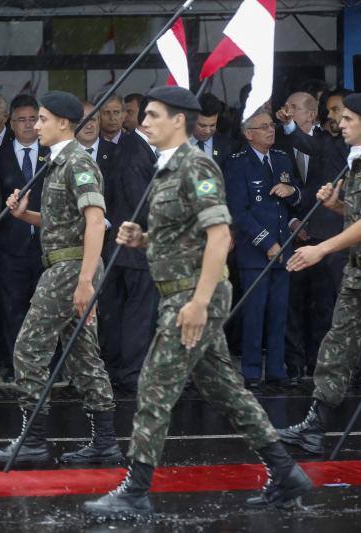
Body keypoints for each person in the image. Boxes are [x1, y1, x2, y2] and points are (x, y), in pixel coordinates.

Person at [83, 86, 311, 520]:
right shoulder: (166, 168)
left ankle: (136, 489)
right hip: (182, 291)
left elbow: (219, 235)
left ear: (178, 121)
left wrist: (200, 303)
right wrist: (142, 239)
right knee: (227, 391)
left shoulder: (197, 165)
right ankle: (285, 472)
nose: (143, 122)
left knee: (153, 386)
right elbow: (180, 237)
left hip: (192, 295)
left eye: (153, 115)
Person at [0, 91, 122, 466]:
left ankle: (33, 439)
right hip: (68, 266)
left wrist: (85, 281)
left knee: (28, 349)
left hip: (68, 270)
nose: (35, 126)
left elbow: (96, 221)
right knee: (83, 356)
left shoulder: (77, 162)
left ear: (64, 123)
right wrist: (23, 216)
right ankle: (105, 441)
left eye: (42, 119)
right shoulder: (58, 163)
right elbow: (62, 222)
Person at [280, 92, 361, 455]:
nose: (340, 123)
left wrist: (321, 249)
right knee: (336, 347)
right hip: (359, 273)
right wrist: (336, 206)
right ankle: (314, 426)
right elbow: (358, 216)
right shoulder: (357, 162)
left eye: (348, 119)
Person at [225, 109, 300, 388]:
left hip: (284, 248)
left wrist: (292, 192)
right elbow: (238, 211)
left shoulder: (280, 158)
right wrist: (267, 243)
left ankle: (277, 370)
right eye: (264, 126)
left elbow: (296, 197)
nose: (271, 130)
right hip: (256, 252)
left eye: (271, 125)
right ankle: (252, 371)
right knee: (255, 313)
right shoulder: (237, 163)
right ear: (249, 134)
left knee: (280, 312)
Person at [99, 99, 158, 394]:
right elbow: (140, 205)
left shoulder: (131, 147)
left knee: (121, 312)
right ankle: (132, 372)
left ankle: (118, 368)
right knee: (138, 313)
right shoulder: (135, 152)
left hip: (123, 247)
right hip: (135, 247)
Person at [0, 95, 48, 382]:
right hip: (10, 247)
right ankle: (15, 365)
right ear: (10, 124)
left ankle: (45, 365)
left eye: (32, 119)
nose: (27, 125)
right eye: (21, 120)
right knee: (12, 308)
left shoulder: (52, 154)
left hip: (46, 245)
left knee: (46, 309)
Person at [192, 93, 234, 168]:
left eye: (212, 125)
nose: (207, 131)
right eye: (202, 126)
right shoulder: (175, 143)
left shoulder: (229, 147)